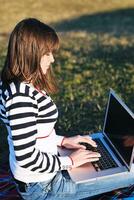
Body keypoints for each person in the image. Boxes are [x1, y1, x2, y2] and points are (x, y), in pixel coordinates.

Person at [0, 18, 133, 200]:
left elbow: (35, 132)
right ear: (31, 54)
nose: (52, 59)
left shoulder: (22, 83)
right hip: (43, 187)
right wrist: (70, 161)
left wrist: (63, 141)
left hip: (47, 172)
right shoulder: (20, 98)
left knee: (114, 161)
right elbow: (27, 157)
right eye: (47, 53)